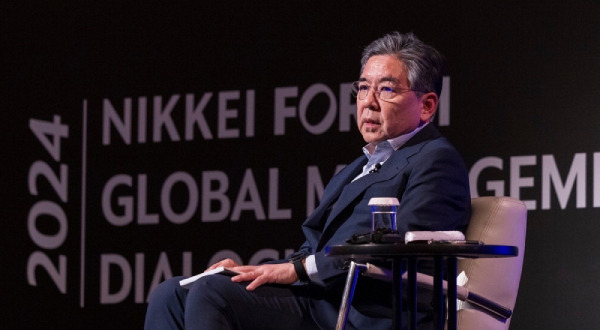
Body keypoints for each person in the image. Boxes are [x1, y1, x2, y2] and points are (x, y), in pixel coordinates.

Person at [144, 31, 471, 330]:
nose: (368, 102)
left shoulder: (435, 160)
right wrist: (257, 270)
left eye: (386, 89)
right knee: (171, 292)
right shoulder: (358, 166)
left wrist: (295, 271)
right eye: (363, 88)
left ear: (426, 106)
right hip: (320, 298)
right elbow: (309, 251)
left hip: (361, 312)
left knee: (211, 293)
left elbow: (398, 247)